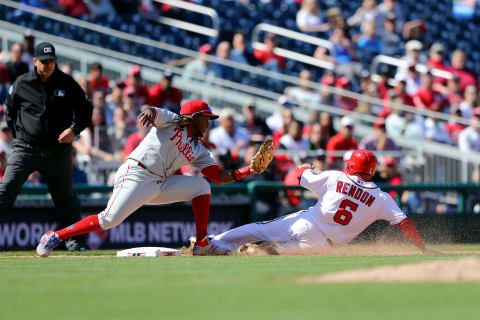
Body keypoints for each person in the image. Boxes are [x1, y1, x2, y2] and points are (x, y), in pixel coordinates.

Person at [36, 100, 266, 257]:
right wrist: (149, 112)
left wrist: (248, 171)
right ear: (193, 118)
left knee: (201, 186)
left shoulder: (199, 150)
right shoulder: (174, 121)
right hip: (136, 174)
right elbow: (154, 112)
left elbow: (218, 177)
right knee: (109, 220)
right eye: (205, 118)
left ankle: (202, 243)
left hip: (160, 182)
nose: (209, 123)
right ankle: (56, 235)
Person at [209, 149, 436, 255]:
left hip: (307, 222)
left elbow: (299, 176)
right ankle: (257, 252)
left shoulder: (337, 176)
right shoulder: (382, 198)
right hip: (326, 246)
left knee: (259, 230)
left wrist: (305, 167)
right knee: (276, 251)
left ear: (351, 166)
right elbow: (404, 223)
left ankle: (215, 242)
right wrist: (422, 247)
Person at [3, 42, 93, 251]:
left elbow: (86, 110)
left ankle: (74, 241)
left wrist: (74, 130)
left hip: (57, 150)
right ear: (34, 61)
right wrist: (19, 138)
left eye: (51, 61)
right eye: (44, 62)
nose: (48, 65)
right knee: (6, 189)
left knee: (66, 199)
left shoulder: (67, 83)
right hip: (26, 148)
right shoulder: (21, 83)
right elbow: (9, 112)